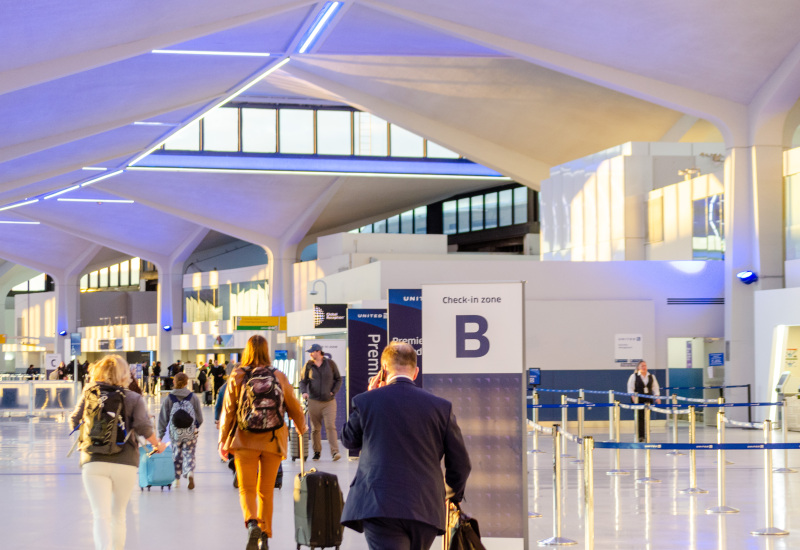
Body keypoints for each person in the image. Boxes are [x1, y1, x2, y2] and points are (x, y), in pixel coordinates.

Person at [341, 342, 471, 550]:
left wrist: (369, 395)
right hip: (424, 507)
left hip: (379, 505)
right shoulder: (440, 407)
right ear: (416, 371)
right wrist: (451, 497)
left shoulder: (366, 401)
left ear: (383, 370)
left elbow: (349, 440)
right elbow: (461, 463)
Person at [69, 355, 167, 550]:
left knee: (100, 515)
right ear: (124, 374)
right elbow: (143, 427)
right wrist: (158, 445)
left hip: (93, 460)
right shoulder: (133, 397)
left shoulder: (90, 392)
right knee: (118, 515)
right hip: (125, 461)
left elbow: (74, 420)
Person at [219, 335, 307, 550]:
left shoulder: (238, 375)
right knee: (266, 491)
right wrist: (301, 426)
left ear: (246, 351)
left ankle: (251, 524)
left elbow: (228, 411)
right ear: (267, 351)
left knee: (246, 488)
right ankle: (265, 535)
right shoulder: (278, 376)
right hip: (273, 440)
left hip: (244, 440)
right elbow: (294, 405)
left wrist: (223, 440)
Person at [158, 372, 203, 490]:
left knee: (176, 454)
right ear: (187, 383)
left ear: (174, 382)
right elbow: (200, 418)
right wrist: (195, 426)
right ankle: (190, 473)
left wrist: (160, 434)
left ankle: (176, 479)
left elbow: (163, 418)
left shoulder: (169, 398)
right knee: (190, 453)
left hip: (175, 433)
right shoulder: (193, 397)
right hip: (190, 432)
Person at [299, 343, 343, 461]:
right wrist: (304, 392)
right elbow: (303, 381)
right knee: (315, 428)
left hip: (329, 402)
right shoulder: (308, 366)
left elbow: (338, 379)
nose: (310, 354)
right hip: (314, 401)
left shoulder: (330, 364)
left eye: (312, 352)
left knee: (330, 426)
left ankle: (335, 452)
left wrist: (333, 391)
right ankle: (317, 452)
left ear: (318, 352)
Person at [627, 360, 661, 442]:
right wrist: (633, 398)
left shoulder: (651, 376)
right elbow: (630, 388)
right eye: (642, 366)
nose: (644, 367)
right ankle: (641, 436)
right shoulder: (634, 376)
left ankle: (646, 433)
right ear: (638, 367)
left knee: (647, 417)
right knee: (640, 418)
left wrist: (657, 397)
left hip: (648, 399)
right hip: (638, 400)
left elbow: (655, 388)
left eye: (645, 365)